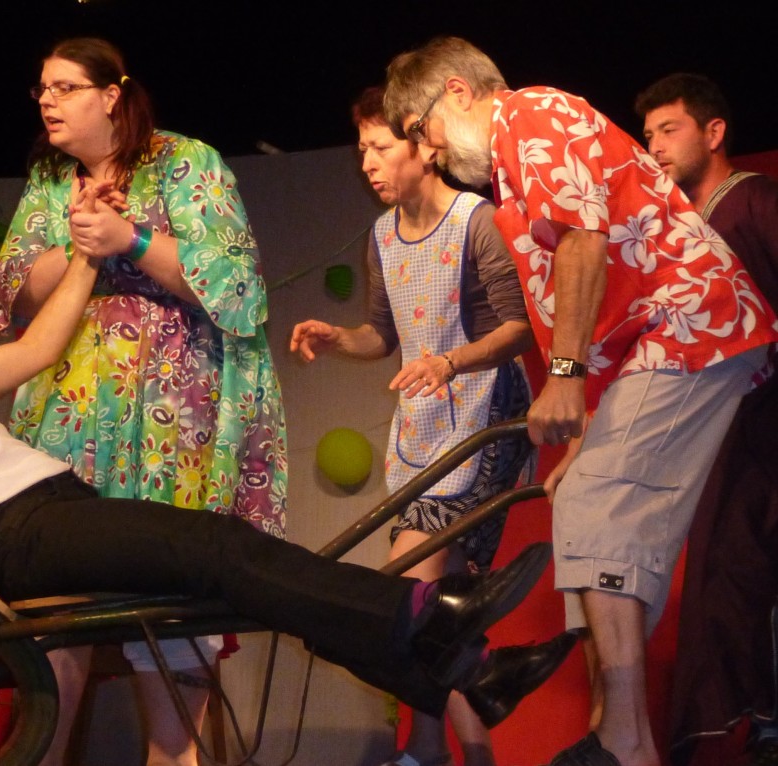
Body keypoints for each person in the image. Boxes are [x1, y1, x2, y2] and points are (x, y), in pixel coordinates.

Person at [0, 233, 572, 759]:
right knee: (218, 547)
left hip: (58, 512)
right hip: (21, 534)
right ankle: (429, 614)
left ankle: (467, 673)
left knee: (236, 583)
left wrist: (88, 251)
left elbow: (39, 347)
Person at [382, 37, 778, 766]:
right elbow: (578, 305)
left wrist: (563, 379)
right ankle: (617, 727)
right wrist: (584, 425)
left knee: (599, 505)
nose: (427, 148)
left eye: (419, 127)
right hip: (647, 345)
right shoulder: (508, 180)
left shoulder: (531, 113)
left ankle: (624, 738)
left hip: (689, 322)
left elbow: (583, 246)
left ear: (458, 92)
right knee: (581, 508)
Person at [0, 37, 287, 766]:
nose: (47, 101)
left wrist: (132, 237)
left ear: (110, 95)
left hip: (171, 418)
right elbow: (11, 290)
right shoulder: (50, 182)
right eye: (41, 89)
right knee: (58, 606)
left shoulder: (184, 161)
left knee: (169, 604)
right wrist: (81, 243)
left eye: (64, 87)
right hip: (69, 412)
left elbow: (235, 286)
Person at [290, 86, 572, 766]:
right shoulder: (382, 235)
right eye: (362, 149)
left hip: (484, 415)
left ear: (424, 146)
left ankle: (432, 744)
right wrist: (340, 338)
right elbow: (383, 335)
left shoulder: (476, 220)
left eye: (380, 147)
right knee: (442, 607)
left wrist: (450, 361)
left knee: (406, 591)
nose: (367, 162)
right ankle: (458, 745)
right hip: (421, 427)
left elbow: (519, 327)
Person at [635, 73, 778, 766]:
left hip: (768, 430)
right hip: (724, 437)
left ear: (714, 132)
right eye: (648, 135)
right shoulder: (683, 231)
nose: (655, 147)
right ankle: (759, 726)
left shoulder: (754, 201)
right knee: (730, 580)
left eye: (669, 130)